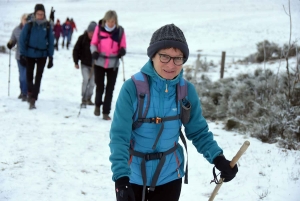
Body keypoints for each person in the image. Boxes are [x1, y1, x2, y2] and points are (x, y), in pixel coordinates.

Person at [108, 24, 238, 201]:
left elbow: (198, 131)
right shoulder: (132, 89)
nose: (171, 64)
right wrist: (121, 179)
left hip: (170, 174)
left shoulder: (185, 91)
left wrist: (218, 159)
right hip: (133, 176)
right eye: (165, 56)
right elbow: (119, 137)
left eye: (178, 58)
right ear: (152, 55)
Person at [90, 10, 126, 120]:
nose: (111, 23)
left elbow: (123, 45)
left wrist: (122, 51)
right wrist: (94, 52)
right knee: (100, 86)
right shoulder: (99, 29)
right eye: (109, 21)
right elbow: (93, 43)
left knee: (110, 89)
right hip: (99, 62)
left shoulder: (120, 31)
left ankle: (106, 112)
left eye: (113, 21)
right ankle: (97, 105)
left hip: (113, 64)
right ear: (105, 20)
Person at [19, 4, 54, 109]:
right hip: (29, 54)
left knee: (38, 77)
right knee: (29, 76)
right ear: (35, 13)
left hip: (42, 55)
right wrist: (22, 54)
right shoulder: (29, 25)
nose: (40, 16)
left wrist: (50, 57)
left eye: (42, 14)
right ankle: (30, 92)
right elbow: (22, 39)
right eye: (38, 14)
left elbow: (51, 42)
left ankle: (34, 98)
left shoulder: (47, 26)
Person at [73, 21, 97, 106]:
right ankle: (83, 98)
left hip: (95, 66)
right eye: (90, 32)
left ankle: (89, 98)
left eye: (93, 33)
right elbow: (76, 50)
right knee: (86, 80)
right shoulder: (82, 39)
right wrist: (76, 61)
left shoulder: (99, 41)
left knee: (92, 83)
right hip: (85, 65)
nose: (91, 34)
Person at [7, 13, 28, 101]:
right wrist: (10, 44)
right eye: (24, 19)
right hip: (19, 56)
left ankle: (25, 93)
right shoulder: (16, 30)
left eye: (27, 20)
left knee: (25, 76)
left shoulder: (31, 30)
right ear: (21, 20)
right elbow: (13, 40)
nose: (26, 21)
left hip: (29, 56)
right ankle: (22, 91)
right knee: (21, 76)